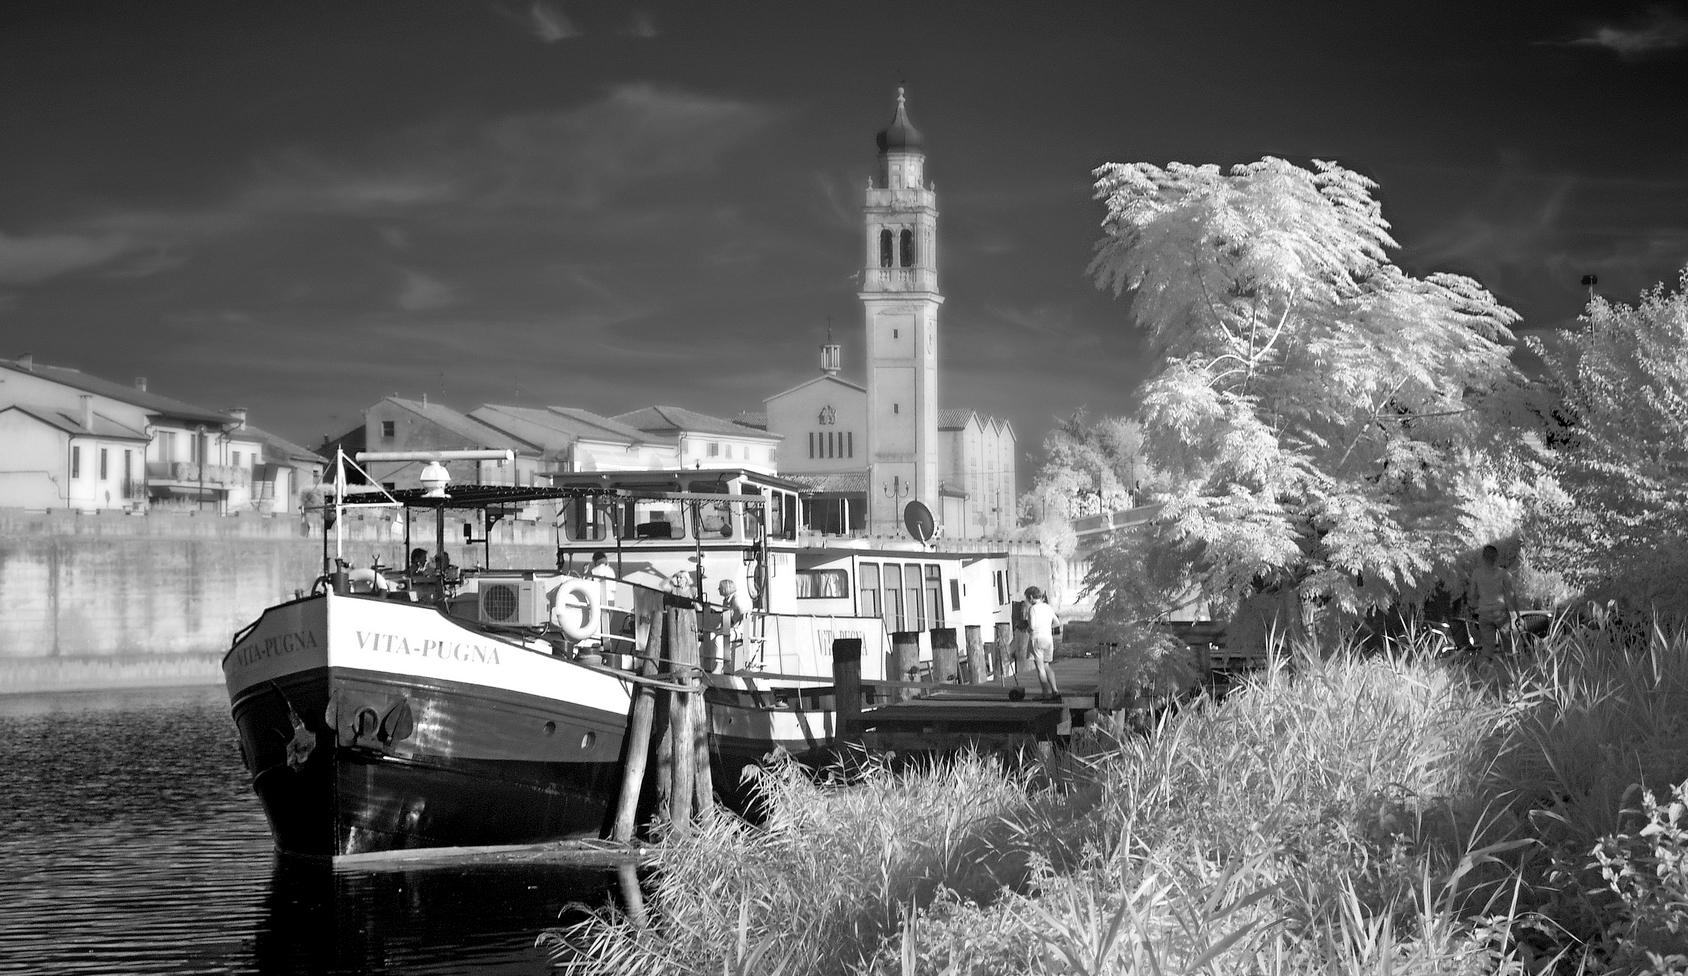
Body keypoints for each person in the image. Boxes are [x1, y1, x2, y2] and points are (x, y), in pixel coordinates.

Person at [1466, 545, 1518, 661]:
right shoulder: (1503, 574)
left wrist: (1475, 606)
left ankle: (1485, 672)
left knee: (1488, 646)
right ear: (1496, 557)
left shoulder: (1476, 574)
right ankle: (1510, 671)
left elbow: (1472, 595)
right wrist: (1518, 614)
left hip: (1484, 613)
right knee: (1507, 644)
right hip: (1501, 613)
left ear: (1483, 557)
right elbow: (1511, 595)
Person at [1023, 586, 1062, 699]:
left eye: (1027, 598)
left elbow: (1032, 626)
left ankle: (1045, 692)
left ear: (1031, 597)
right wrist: (1047, 628)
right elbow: (1057, 622)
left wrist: (1027, 630)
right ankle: (1055, 690)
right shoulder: (1048, 607)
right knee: (1047, 666)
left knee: (1040, 668)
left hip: (1037, 639)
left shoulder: (1033, 609)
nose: (1027, 601)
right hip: (1048, 639)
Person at [716, 579, 753, 671]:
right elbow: (725, 616)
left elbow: (743, 614)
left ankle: (720, 666)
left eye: (720, 588)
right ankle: (721, 664)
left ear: (725, 588)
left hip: (742, 630)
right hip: (731, 627)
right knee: (712, 635)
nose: (718, 589)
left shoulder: (737, 599)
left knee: (719, 639)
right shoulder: (726, 600)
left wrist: (733, 627)